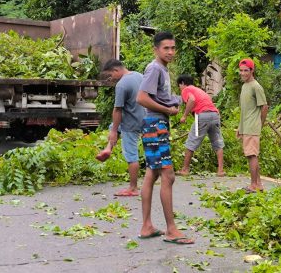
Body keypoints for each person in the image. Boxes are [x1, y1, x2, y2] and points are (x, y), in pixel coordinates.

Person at [136, 31, 194, 244]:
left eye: (172, 48)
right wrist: (167, 109)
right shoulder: (154, 68)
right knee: (168, 176)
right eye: (165, 48)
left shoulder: (162, 69)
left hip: (155, 124)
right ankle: (171, 230)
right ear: (156, 49)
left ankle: (147, 226)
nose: (170, 51)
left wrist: (172, 102)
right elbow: (141, 97)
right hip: (155, 125)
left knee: (152, 173)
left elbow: (155, 96)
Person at [95, 59, 144, 197]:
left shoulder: (122, 85)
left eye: (111, 75)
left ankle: (133, 188)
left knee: (131, 154)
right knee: (114, 125)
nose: (111, 79)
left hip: (131, 123)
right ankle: (108, 148)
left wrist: (114, 132)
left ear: (116, 70)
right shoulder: (139, 76)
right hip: (144, 118)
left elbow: (117, 110)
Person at [175, 74, 225, 177]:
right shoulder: (199, 90)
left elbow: (192, 100)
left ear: (183, 83)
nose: (180, 88)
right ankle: (220, 170)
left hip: (202, 116)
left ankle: (185, 169)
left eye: (179, 85)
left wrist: (184, 116)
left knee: (191, 142)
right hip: (215, 115)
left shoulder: (186, 90)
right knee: (217, 142)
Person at [236, 58, 268, 193]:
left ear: (252, 71)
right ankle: (258, 184)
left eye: (246, 71)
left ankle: (253, 185)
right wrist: (240, 127)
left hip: (252, 126)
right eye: (241, 71)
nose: (243, 73)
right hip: (246, 126)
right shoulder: (245, 86)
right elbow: (245, 109)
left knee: (251, 155)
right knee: (251, 154)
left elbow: (264, 107)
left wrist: (260, 124)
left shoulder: (256, 86)